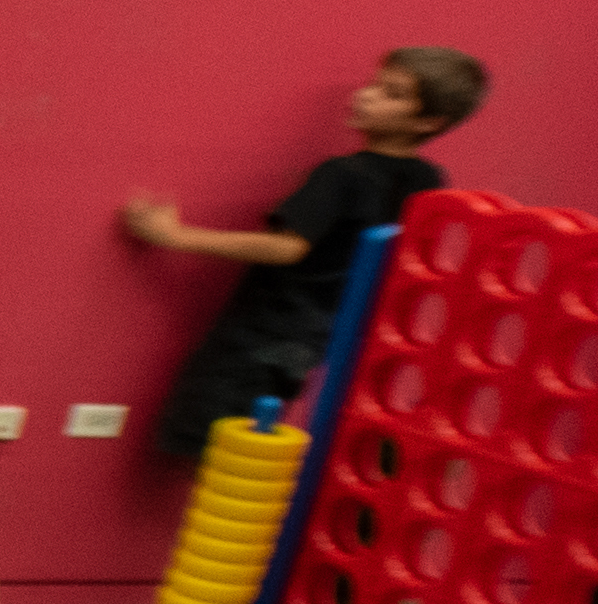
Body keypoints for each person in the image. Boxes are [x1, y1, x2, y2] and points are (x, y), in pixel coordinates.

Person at [124, 41, 484, 449]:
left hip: (269, 330)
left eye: (392, 94)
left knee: (215, 443)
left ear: (428, 122)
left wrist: (174, 236)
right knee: (253, 445)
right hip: (328, 336)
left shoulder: (340, 175)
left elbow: (287, 248)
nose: (365, 95)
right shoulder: (428, 179)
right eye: (374, 84)